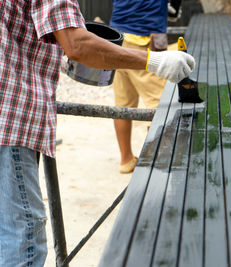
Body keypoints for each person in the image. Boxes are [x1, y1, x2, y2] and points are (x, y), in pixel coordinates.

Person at [0, 0, 194, 266]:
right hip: (8, 118)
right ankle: (171, 184)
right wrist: (155, 61)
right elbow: (77, 45)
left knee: (8, 227)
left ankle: (127, 158)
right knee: (24, 238)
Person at [110, 0, 176, 174]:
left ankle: (126, 160)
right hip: (146, 39)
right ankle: (158, 165)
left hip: (117, 40)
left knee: (122, 105)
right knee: (160, 104)